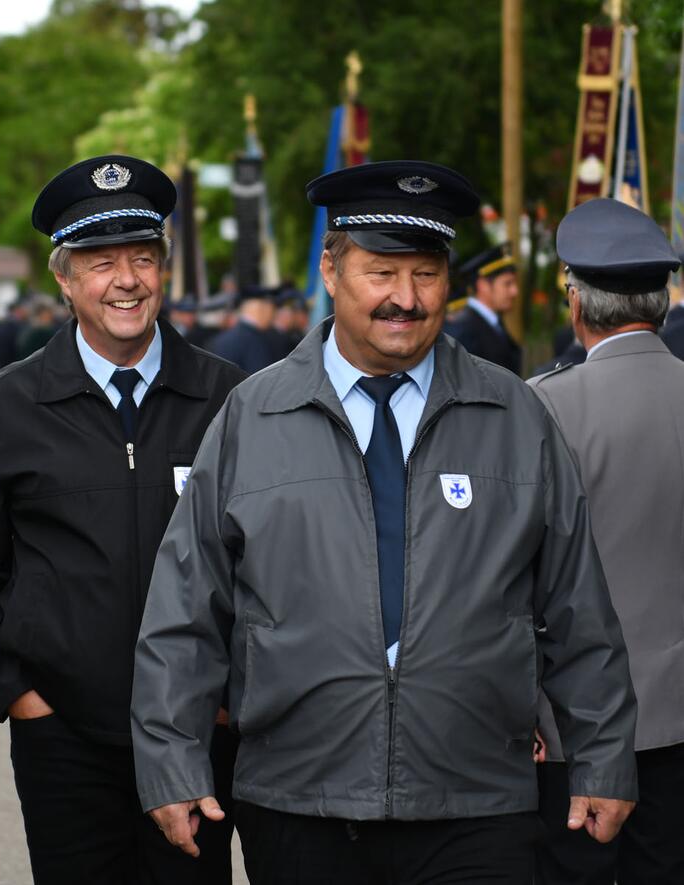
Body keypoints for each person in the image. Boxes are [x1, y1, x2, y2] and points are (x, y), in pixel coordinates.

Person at [132, 160, 639, 885]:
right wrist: (172, 760)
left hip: (476, 801)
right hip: (300, 798)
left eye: (426, 274)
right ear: (332, 270)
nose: (405, 298)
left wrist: (604, 754)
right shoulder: (255, 413)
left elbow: (575, 604)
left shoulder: (515, 414)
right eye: (382, 272)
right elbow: (186, 604)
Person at [0, 154, 246, 885]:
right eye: (101, 261)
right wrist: (19, 696)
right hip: (65, 743)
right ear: (64, 278)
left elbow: (267, 560)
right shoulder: (9, 405)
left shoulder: (231, 398)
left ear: (164, 268)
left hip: (198, 736)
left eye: (143, 258)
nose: (126, 280)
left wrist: (234, 695)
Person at [528, 197, 684, 885]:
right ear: (663, 299)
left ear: (576, 303)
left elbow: (516, 576)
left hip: (575, 727)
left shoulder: (546, 405)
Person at [444, 242, 523, 373]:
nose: (515, 291)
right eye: (507, 284)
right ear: (483, 286)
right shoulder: (463, 329)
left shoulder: (491, 323)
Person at [208, 286, 282, 372]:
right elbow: (263, 380)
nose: (273, 315)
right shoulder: (255, 340)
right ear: (261, 309)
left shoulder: (220, 340)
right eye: (272, 309)